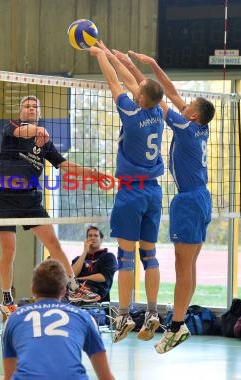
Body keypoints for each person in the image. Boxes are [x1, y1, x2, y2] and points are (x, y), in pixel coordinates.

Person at [115, 50, 214, 353]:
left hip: (188, 201)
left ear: (192, 115)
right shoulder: (200, 126)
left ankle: (176, 326)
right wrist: (153, 65)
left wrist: (126, 67)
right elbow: (169, 90)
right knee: (190, 265)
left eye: (187, 106)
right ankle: (178, 323)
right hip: (202, 197)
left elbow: (157, 97)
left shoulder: (184, 127)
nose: (182, 105)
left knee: (183, 266)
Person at [0, 95, 106, 315]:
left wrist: (91, 173)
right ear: (20, 111)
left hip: (30, 199)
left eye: (35, 106)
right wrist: (39, 131)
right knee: (9, 250)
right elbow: (23, 132)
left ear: (40, 113)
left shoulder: (45, 143)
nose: (31, 108)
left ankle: (73, 287)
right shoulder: (13, 127)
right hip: (5, 196)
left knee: (53, 242)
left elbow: (64, 164)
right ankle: (7, 297)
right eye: (27, 106)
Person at [89, 41, 165, 343]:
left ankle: (122, 316)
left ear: (141, 97)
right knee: (150, 255)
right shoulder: (158, 111)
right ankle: (153, 313)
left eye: (139, 90)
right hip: (154, 192)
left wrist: (99, 57)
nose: (135, 88)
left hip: (131, 192)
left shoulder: (131, 113)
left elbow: (113, 81)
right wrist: (108, 50)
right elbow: (135, 82)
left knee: (126, 257)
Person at [2, 259, 115, 380]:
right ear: (64, 290)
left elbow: (9, 375)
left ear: (33, 289)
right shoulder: (84, 317)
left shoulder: (14, 318)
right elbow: (105, 376)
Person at [71, 226, 117, 303]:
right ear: (86, 239)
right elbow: (73, 274)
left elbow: (103, 277)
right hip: (75, 291)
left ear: (101, 240)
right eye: (90, 235)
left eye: (96, 235)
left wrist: (79, 279)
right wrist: (85, 252)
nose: (92, 238)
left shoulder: (108, 256)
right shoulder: (78, 259)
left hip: (95, 293)